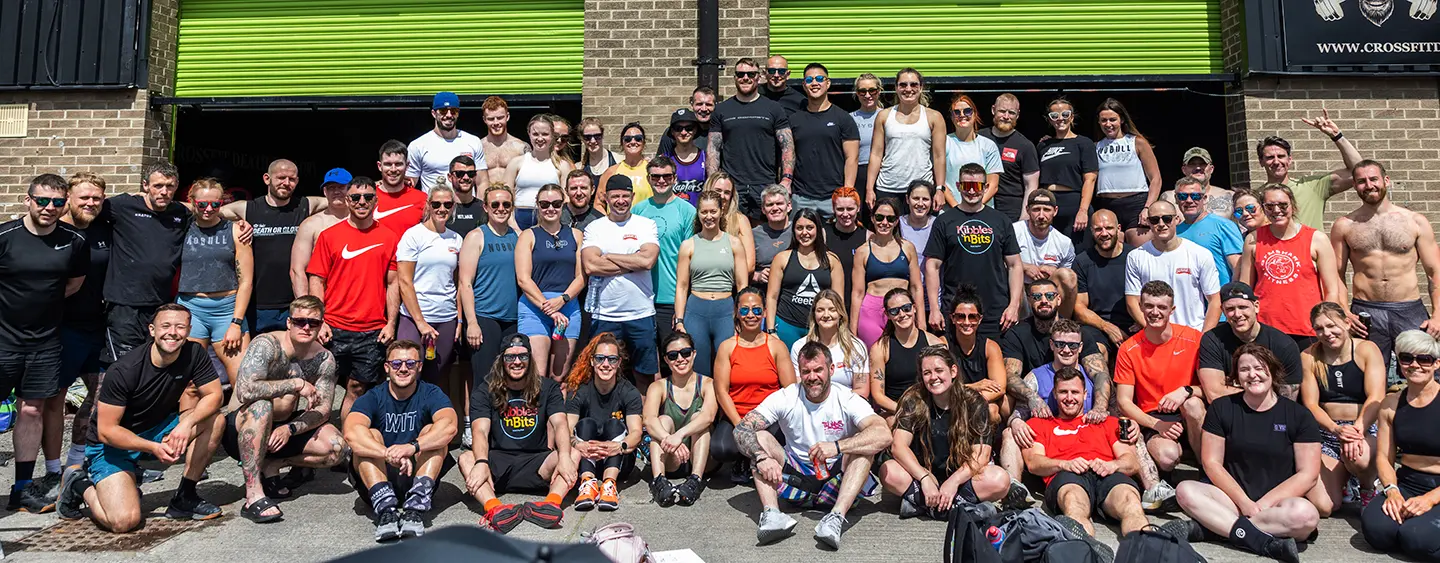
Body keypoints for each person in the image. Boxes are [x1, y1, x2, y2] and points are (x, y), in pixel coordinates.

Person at [56, 305, 224, 531]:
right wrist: (153, 448)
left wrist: (186, 425)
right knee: (124, 521)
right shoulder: (125, 370)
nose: (172, 332)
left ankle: (185, 496)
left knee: (216, 420)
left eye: (180, 326)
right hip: (111, 445)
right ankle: (79, 483)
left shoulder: (194, 353)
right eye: (165, 326)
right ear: (152, 330)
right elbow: (106, 431)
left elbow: (214, 395)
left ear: (189, 330)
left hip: (156, 430)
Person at [1169, 344, 1321, 563]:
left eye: (1259, 368)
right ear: (1236, 377)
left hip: (1277, 505)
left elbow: (1308, 474)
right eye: (1244, 370)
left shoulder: (1298, 415)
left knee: (1307, 516)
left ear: (1273, 370)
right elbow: (1211, 463)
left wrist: (1263, 505)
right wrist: (1245, 503)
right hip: (1231, 500)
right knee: (1185, 490)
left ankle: (1213, 529)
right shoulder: (1222, 408)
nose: (1253, 375)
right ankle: (1259, 540)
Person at [734, 341, 891, 549]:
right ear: (800, 372)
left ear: (831, 369)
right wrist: (762, 457)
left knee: (863, 450)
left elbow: (883, 434)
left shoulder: (846, 398)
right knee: (759, 438)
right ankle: (772, 515)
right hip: (795, 479)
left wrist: (836, 446)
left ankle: (835, 518)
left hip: (837, 480)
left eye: (818, 370)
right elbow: (741, 429)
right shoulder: (787, 396)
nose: (812, 377)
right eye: (806, 371)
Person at [1, 174, 88, 512]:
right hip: (3, 340)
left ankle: (22, 488)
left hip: (45, 342)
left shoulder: (74, 241)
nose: (49, 208)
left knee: (33, 409)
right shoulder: (5, 235)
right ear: (28, 200)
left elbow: (73, 284)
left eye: (57, 202)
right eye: (42, 201)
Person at [224, 296, 346, 523]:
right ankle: (253, 495)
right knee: (262, 407)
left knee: (337, 448)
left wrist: (290, 429)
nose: (307, 327)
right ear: (289, 323)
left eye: (313, 322)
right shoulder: (266, 345)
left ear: (321, 325)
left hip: (282, 429)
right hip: (242, 426)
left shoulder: (323, 358)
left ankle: (273, 465)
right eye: (300, 321)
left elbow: (323, 409)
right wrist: (296, 384)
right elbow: (245, 390)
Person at [1331, 159, 1440, 373]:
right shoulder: (1344, 225)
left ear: (1386, 181)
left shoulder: (1415, 221)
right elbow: (1336, 274)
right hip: (1365, 311)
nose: (1369, 185)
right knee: (1366, 374)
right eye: (1361, 181)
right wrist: (1343, 311)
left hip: (1409, 309)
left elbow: (1434, 272)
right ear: (1354, 186)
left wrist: (1438, 315)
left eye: (1374, 179)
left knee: (1426, 369)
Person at [306, 176, 401, 419]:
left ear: (376, 201)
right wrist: (320, 321)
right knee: (323, 388)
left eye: (368, 197)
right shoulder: (329, 236)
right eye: (356, 197)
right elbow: (316, 279)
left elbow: (393, 283)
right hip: (333, 326)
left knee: (357, 388)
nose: (362, 202)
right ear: (347, 200)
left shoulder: (390, 237)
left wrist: (391, 323)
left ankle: (347, 446)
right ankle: (318, 441)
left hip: (371, 329)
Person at [459, 334, 575, 533]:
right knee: (466, 458)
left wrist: (564, 456)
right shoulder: (484, 390)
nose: (517, 362)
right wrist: (481, 463)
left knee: (574, 453)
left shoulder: (548, 387)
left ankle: (550, 505)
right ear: (501, 360)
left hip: (537, 463)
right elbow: (480, 430)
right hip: (497, 465)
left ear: (530, 359)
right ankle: (495, 509)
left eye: (523, 356)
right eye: (510, 357)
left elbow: (560, 423)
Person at [343, 340, 457, 541]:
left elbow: (449, 426)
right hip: (378, 480)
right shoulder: (373, 396)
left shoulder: (431, 393)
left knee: (433, 431)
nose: (403, 368)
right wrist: (387, 453)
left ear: (419, 366)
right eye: (396, 364)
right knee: (371, 435)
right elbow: (351, 433)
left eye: (410, 363)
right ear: (387, 367)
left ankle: (415, 509)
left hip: (417, 478)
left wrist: (411, 448)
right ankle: (386, 511)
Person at [879, 346, 1010, 519]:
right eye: (927, 373)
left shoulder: (974, 402)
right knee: (888, 471)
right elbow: (898, 446)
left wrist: (954, 481)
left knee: (1000, 479)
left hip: (962, 479)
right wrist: (924, 477)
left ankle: (926, 506)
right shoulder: (914, 399)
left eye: (939, 370)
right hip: (922, 477)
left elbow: (981, 455)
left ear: (953, 371)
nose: (933, 377)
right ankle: (956, 508)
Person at [1023, 368, 1148, 538]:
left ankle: (1146, 548)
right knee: (1073, 502)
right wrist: (1064, 464)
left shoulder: (1108, 422)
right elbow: (1033, 463)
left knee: (1131, 502)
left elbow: (1132, 463)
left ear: (1085, 394)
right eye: (1063, 392)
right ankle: (1085, 550)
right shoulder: (1039, 424)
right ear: (1054, 393)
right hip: (1068, 476)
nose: (1069, 398)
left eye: (1075, 392)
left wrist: (1113, 465)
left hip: (1108, 475)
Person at [216, 159, 330, 333]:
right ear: (267, 178)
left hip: (293, 302)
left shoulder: (306, 205)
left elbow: (343, 199)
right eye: (281, 177)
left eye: (291, 179)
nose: (286, 183)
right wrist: (238, 223)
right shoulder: (248, 209)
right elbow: (205, 213)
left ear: (297, 181)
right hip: (257, 304)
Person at [99, 160, 192, 364]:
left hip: (161, 303)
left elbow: (209, 212)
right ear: (145, 185)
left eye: (170, 186)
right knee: (123, 366)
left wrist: (241, 223)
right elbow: (86, 208)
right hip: (124, 304)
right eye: (158, 186)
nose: (164, 192)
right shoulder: (124, 205)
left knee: (153, 362)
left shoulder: (180, 213)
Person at [1361, 330, 1440, 561]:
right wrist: (1392, 491)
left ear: (1436, 364)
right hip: (1409, 482)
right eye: (1407, 358)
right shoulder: (1390, 404)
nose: (1414, 365)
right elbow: (1384, 458)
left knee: (1417, 540)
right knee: (1377, 531)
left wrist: (1430, 499)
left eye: (1423, 359)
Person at [1114, 281, 1207, 477]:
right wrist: (1157, 425)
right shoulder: (1128, 348)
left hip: (1188, 411)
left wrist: (1185, 390)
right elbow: (1123, 401)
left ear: (1172, 309)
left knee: (1194, 405)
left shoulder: (1193, 339)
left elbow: (1213, 386)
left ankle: (1207, 471)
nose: (1155, 312)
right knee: (1167, 457)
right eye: (1149, 306)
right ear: (1140, 307)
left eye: (1162, 307)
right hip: (1154, 417)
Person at [1237, 183, 1345, 350]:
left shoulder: (1317, 239)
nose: (1277, 210)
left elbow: (1331, 289)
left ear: (1293, 206)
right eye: (1270, 206)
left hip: (1307, 327)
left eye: (1282, 205)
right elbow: (1245, 288)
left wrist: (1326, 324)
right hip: (1266, 327)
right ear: (1264, 209)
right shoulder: (1253, 239)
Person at [1301, 301, 1385, 514]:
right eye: (1319, 328)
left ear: (1347, 323)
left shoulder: (1366, 349)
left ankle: (1367, 488)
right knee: (1324, 507)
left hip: (1363, 429)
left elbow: (1376, 395)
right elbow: (1310, 403)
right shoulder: (1309, 356)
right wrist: (1335, 428)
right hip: (1328, 431)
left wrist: (1357, 429)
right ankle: (1345, 480)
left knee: (1358, 456)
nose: (1326, 333)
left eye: (1332, 326)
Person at [925, 164, 1023, 340]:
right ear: (958, 186)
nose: (971, 192)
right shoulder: (944, 221)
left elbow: (1015, 265)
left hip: (995, 312)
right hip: (956, 311)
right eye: (966, 186)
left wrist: (1014, 306)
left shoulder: (1001, 220)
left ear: (986, 187)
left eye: (977, 186)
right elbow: (932, 265)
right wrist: (934, 308)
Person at [582, 175, 661, 387]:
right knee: (601, 374)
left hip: (641, 313)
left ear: (633, 197)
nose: (620, 200)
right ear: (605, 197)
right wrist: (632, 262)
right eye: (615, 196)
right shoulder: (595, 228)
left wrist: (609, 257)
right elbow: (591, 266)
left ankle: (644, 418)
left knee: (644, 375)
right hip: (604, 314)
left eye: (625, 196)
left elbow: (647, 260)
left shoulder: (645, 225)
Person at [710, 287, 796, 480]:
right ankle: (744, 458)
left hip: (769, 417)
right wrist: (740, 427)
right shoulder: (727, 347)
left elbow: (790, 390)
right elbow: (721, 391)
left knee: (777, 440)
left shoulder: (776, 346)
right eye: (745, 310)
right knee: (721, 449)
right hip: (737, 415)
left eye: (757, 310)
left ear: (764, 312)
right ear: (736, 313)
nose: (751, 315)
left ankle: (755, 461)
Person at [57, 173, 111, 474]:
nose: (91, 203)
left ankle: (80, 461)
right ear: (69, 199)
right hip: (62, 328)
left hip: (99, 326)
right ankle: (54, 468)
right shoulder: (55, 231)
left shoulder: (104, 226)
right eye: (84, 198)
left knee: (102, 396)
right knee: (54, 401)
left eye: (97, 198)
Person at [178, 178, 253, 385]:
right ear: (192, 202)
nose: (208, 209)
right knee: (190, 382)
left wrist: (236, 323)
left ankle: (240, 418)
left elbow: (246, 281)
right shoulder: (181, 227)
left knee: (242, 379)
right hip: (191, 308)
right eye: (202, 204)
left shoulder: (236, 230)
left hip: (227, 309)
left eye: (215, 204)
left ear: (222, 204)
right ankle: (191, 417)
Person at [563, 333, 645, 512]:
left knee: (614, 425)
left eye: (611, 359)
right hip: (585, 458)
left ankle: (609, 485)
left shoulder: (629, 392)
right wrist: (579, 444)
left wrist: (619, 446)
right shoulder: (579, 391)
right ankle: (587, 484)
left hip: (619, 459)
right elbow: (566, 430)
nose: (605, 364)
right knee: (585, 424)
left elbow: (636, 433)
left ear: (618, 362)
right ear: (592, 361)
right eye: (600, 358)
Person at [708, 57, 795, 223]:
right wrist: (714, 182)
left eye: (750, 74)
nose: (745, 78)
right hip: (733, 186)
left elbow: (787, 146)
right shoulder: (722, 110)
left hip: (765, 184)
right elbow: (713, 148)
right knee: (732, 232)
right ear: (735, 78)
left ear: (758, 77)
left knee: (765, 235)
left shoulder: (773, 108)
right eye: (740, 74)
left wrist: (786, 179)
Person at [634, 155, 698, 368]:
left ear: (674, 178)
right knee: (643, 362)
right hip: (641, 297)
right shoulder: (638, 210)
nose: (661, 181)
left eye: (666, 176)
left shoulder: (687, 211)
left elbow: (690, 257)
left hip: (671, 298)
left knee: (672, 360)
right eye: (655, 177)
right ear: (648, 179)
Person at [516, 184, 585, 382]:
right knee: (537, 374)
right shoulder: (528, 235)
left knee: (559, 375)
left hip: (567, 307)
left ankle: (556, 413)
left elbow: (581, 276)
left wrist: (563, 300)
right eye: (544, 204)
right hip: (535, 308)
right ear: (537, 205)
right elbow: (523, 278)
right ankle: (536, 413)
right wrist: (550, 310)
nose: (550, 208)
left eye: (555, 203)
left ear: (563, 205)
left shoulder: (575, 235)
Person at [675, 190, 748, 376]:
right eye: (704, 212)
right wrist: (680, 320)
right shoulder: (688, 245)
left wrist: (742, 315)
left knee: (728, 367)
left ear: (721, 211)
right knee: (699, 368)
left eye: (713, 211)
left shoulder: (734, 243)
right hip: (696, 310)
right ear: (698, 214)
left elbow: (742, 285)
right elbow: (682, 286)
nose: (709, 216)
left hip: (725, 311)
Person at [396, 185, 464, 384]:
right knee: (407, 373)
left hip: (446, 318)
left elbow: (458, 283)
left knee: (437, 377)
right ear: (428, 205)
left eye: (447, 204)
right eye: (436, 204)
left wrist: (459, 320)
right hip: (414, 317)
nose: (442, 208)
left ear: (453, 207)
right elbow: (405, 282)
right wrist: (420, 322)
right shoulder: (413, 236)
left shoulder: (456, 239)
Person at [644, 332, 718, 506]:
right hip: (672, 458)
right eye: (673, 355)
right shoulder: (658, 386)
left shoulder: (707, 384)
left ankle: (695, 480)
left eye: (685, 352)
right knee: (662, 421)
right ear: (666, 360)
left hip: (701, 457)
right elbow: (648, 419)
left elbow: (708, 417)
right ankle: (659, 481)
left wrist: (679, 436)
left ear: (694, 353)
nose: (680, 359)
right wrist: (669, 439)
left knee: (698, 417)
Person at [1256, 110, 1364, 230]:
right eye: (1270, 157)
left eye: (1281, 156)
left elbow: (1358, 171)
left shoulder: (1313, 187)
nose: (1276, 162)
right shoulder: (1257, 197)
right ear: (1261, 161)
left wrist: (1336, 136)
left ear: (1290, 160)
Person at [1198, 281, 1306, 402]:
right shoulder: (1213, 339)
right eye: (1230, 309)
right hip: (1230, 410)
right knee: (1192, 405)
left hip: (1270, 414)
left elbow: (1287, 400)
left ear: (1256, 306)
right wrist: (1261, 392)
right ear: (1223, 311)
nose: (1237, 314)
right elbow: (1214, 394)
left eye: (1243, 307)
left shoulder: (1283, 344)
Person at [1124, 200, 1221, 332]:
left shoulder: (1200, 254)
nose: (1161, 224)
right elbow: (1132, 302)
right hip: (1156, 336)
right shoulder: (1136, 257)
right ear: (1148, 222)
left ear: (1177, 219)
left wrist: (1203, 338)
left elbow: (1215, 301)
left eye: (1167, 218)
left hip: (1193, 332)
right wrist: (1153, 331)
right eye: (1154, 220)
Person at [458, 184, 520, 385]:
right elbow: (465, 283)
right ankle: (481, 417)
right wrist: (472, 322)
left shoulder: (518, 236)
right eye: (495, 204)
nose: (500, 208)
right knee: (486, 379)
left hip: (512, 318)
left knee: (511, 377)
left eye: (506, 204)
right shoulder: (476, 236)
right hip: (485, 317)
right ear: (485, 207)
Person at [867, 68, 946, 209]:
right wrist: (869, 189)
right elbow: (875, 154)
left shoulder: (934, 117)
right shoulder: (884, 116)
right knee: (887, 230)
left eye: (913, 84)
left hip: (921, 190)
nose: (908, 89)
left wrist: (940, 189)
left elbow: (939, 156)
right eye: (903, 85)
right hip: (888, 188)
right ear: (896, 88)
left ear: (921, 88)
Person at [789, 63, 859, 217]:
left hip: (833, 197)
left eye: (819, 78)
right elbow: (788, 156)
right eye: (809, 80)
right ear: (804, 85)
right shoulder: (794, 120)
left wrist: (846, 192)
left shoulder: (843, 118)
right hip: (801, 197)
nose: (814, 83)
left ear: (828, 83)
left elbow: (852, 158)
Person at [767, 209, 844, 347]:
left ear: (818, 230)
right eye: (799, 228)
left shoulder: (832, 260)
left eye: (809, 227)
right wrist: (771, 330)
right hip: (787, 324)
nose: (804, 233)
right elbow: (772, 297)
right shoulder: (782, 258)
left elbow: (838, 300)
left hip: (820, 327)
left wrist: (840, 329)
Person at [851, 198, 923, 347]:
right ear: (872, 218)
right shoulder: (862, 251)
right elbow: (857, 293)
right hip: (872, 311)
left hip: (903, 310)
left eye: (890, 218)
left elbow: (916, 287)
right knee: (873, 360)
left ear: (896, 221)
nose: (884, 222)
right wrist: (853, 330)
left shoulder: (908, 248)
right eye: (879, 217)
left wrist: (921, 321)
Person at [1093, 98, 1161, 247]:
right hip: (1107, 204)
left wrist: (1148, 208)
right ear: (1098, 122)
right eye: (1103, 120)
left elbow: (1156, 178)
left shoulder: (1137, 142)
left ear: (1122, 119)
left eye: (1113, 119)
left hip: (1136, 204)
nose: (1108, 124)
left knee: (1141, 253)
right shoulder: (1095, 146)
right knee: (1111, 253)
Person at [868, 289, 946, 418]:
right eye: (894, 311)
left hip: (929, 408)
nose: (902, 314)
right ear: (887, 315)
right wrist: (905, 412)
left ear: (914, 308)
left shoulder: (934, 343)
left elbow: (945, 383)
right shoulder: (880, 348)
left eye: (906, 308)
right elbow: (878, 395)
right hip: (896, 410)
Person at [1037, 97, 1098, 245]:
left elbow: (1090, 179)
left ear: (1072, 116)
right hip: (1048, 203)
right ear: (1049, 120)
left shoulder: (1084, 143)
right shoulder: (1043, 145)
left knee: (1077, 254)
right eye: (1054, 116)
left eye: (1065, 114)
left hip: (1074, 203)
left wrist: (1082, 211)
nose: (1060, 119)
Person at [1073, 209, 1136, 352]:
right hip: (1097, 325)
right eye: (1098, 229)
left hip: (1133, 323)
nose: (1104, 233)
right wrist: (1107, 327)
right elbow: (1079, 308)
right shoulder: (1082, 261)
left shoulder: (1135, 256)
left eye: (1108, 228)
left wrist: (1141, 321)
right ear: (1091, 231)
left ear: (1118, 229)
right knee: (1097, 351)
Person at [948, 287, 1011, 426]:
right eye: (960, 316)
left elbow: (1000, 388)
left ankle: (990, 446)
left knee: (992, 410)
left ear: (980, 319)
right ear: (952, 318)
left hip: (979, 399)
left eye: (972, 317)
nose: (966, 322)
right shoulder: (944, 345)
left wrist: (972, 400)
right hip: (951, 400)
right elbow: (942, 388)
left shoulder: (990, 347)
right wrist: (974, 387)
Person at [790, 290, 869, 399]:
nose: (826, 315)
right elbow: (799, 387)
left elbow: (862, 390)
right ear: (814, 314)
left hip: (846, 407)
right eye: (820, 310)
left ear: (840, 314)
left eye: (832, 310)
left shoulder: (856, 347)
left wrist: (834, 404)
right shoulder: (799, 347)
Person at [406, 91, 490, 192]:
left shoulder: (473, 141)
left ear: (458, 113)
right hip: (435, 206)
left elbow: (482, 182)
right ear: (433, 113)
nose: (449, 115)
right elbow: (409, 184)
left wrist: (480, 207)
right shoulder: (418, 145)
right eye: (443, 111)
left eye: (453, 111)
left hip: (466, 206)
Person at [289, 169, 353, 300]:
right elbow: (297, 270)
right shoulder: (311, 225)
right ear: (325, 192)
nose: (336, 191)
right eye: (331, 188)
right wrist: (307, 310)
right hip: (326, 302)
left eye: (341, 187)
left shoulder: (367, 221)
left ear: (351, 189)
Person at [1013, 189, 1077, 317]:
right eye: (1036, 209)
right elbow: (997, 261)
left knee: (1066, 275)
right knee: (1016, 272)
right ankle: (1018, 325)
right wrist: (1024, 267)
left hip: (1049, 292)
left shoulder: (1064, 242)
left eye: (1047, 210)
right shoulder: (1013, 232)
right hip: (1020, 290)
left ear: (1055, 211)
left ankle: (1061, 324)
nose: (1041, 215)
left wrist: (1055, 271)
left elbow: (1069, 279)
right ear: (1027, 210)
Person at [979, 93, 1041, 222]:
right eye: (1002, 111)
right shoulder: (978, 138)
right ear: (993, 110)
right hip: (979, 204)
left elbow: (1031, 185)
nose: (1006, 117)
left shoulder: (1025, 146)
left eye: (1011, 113)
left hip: (1011, 210)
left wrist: (1024, 216)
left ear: (1017, 115)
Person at [505, 115, 573, 230]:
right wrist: (514, 227)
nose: (540, 138)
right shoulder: (516, 163)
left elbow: (566, 200)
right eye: (535, 134)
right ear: (529, 134)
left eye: (545, 134)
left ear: (552, 136)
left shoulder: (562, 166)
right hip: (519, 219)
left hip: (550, 219)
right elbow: (505, 197)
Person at [1175, 176, 1244, 286]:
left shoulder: (1224, 226)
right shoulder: (1175, 232)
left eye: (1195, 196)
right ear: (1176, 199)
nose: (1189, 201)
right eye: (1183, 196)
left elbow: (1238, 266)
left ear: (1205, 198)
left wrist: (1233, 295)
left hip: (1219, 299)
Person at [941, 93, 1001, 207]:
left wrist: (975, 207)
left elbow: (993, 185)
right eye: (957, 112)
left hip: (982, 211)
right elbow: (940, 182)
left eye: (967, 111)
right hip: (951, 209)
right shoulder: (944, 142)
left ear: (975, 114)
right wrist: (958, 209)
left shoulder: (989, 145)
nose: (962, 115)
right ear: (952, 117)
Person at [824, 187, 869, 311]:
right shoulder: (823, 234)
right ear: (833, 209)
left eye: (850, 209)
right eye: (840, 209)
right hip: (830, 305)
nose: (845, 214)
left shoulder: (869, 237)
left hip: (859, 304)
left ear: (858, 208)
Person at [374, 140, 428, 236]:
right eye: (388, 164)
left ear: (407, 166)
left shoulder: (422, 199)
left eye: (398, 164)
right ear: (379, 166)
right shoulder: (367, 198)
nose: (393, 169)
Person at [707, 171, 757, 273]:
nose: (722, 196)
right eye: (718, 191)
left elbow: (749, 264)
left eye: (727, 192)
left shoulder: (740, 220)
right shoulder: (697, 218)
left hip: (731, 283)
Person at [597, 122, 655, 206]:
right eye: (627, 139)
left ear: (644, 142)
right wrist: (608, 219)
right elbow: (598, 203)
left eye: (638, 138)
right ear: (622, 143)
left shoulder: (652, 171)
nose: (633, 142)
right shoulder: (611, 172)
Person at [660, 108, 708, 205]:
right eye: (678, 128)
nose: (683, 132)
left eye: (689, 128)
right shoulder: (664, 160)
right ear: (672, 132)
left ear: (695, 130)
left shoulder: (706, 158)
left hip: (699, 216)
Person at [850, 73, 883, 209]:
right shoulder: (850, 119)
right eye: (862, 91)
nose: (867, 95)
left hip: (883, 173)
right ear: (857, 93)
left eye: (872, 91)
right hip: (858, 173)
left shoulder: (888, 115)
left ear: (879, 91)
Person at [751, 184, 792, 287]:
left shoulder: (799, 231)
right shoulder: (753, 234)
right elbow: (742, 269)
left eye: (779, 203)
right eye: (770, 205)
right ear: (763, 209)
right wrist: (757, 276)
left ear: (789, 206)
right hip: (763, 288)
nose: (775, 208)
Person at [657, 86, 717, 156]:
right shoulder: (676, 131)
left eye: (708, 104)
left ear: (715, 105)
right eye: (699, 104)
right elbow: (661, 163)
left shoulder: (722, 132)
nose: (704, 109)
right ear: (692, 104)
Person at [479, 96, 532, 172]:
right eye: (491, 119)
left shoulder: (521, 147)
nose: (496, 122)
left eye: (500, 118)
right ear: (484, 119)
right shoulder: (478, 147)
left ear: (507, 117)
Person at [1179, 147, 1234, 217]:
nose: (1198, 168)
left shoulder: (1230, 197)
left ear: (1211, 169)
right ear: (1184, 169)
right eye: (1192, 164)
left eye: (1202, 164)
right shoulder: (1170, 198)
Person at [446, 155, 485, 237]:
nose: (466, 177)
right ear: (450, 177)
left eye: (471, 174)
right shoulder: (442, 208)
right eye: (460, 173)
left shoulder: (484, 209)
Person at [899, 180, 936, 259]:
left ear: (932, 201)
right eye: (916, 198)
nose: (920, 203)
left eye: (925, 199)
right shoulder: (897, 224)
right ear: (907, 199)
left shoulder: (938, 224)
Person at [578, 117, 619, 188]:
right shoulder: (579, 167)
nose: (593, 141)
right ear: (582, 138)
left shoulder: (618, 160)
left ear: (602, 135)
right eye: (588, 137)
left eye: (597, 136)